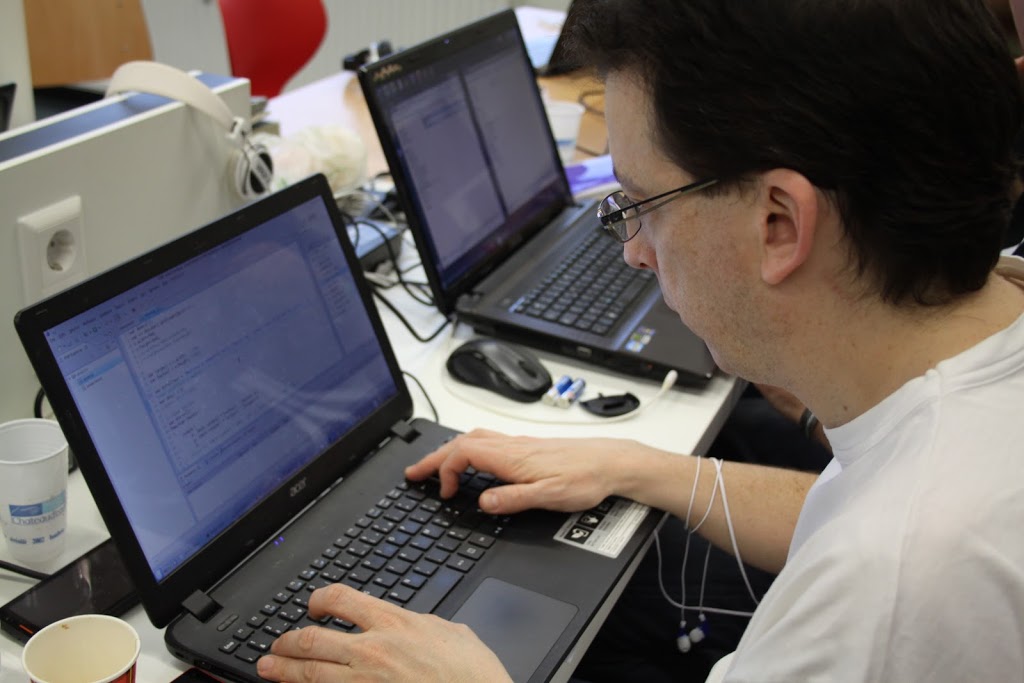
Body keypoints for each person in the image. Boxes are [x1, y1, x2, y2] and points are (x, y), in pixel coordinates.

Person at [256, 1, 1024, 681]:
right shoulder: (978, 353)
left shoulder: (889, 585)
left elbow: (878, 551)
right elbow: (843, 503)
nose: (633, 251)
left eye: (641, 202)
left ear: (779, 223)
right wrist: (638, 466)